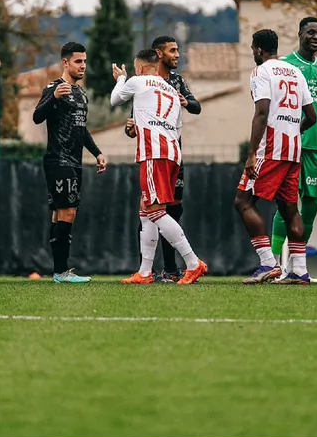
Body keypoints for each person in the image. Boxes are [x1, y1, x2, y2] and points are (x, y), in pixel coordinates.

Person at [111, 49, 208, 285]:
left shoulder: (137, 80)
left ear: (142, 67)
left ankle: (193, 263)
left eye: (135, 69)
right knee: (146, 211)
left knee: (155, 211)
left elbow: (114, 100)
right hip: (173, 153)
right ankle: (145, 272)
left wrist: (121, 79)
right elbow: (174, 127)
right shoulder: (173, 91)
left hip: (154, 153)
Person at [267, 17, 317, 282]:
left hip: (313, 148)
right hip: (289, 146)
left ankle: (295, 266)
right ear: (300, 33)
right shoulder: (284, 65)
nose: (316, 37)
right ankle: (271, 265)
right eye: (311, 32)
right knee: (286, 205)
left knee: (312, 205)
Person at [233, 29, 317, 284]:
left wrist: (251, 154)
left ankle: (269, 263)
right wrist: (294, 130)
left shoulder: (261, 71)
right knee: (289, 208)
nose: (253, 53)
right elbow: (312, 117)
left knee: (243, 201)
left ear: (259, 50)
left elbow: (262, 112)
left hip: (270, 149)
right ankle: (300, 270)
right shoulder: (295, 72)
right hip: (293, 150)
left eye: (252, 49)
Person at [32, 41, 109, 283]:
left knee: (61, 215)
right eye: (78, 61)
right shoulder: (54, 87)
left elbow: (81, 129)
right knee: (67, 212)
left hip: (75, 162)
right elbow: (37, 116)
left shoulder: (81, 94)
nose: (83, 66)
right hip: (58, 160)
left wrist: (97, 152)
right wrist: (52, 97)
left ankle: (59, 271)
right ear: (65, 62)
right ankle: (61, 271)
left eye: (85, 61)